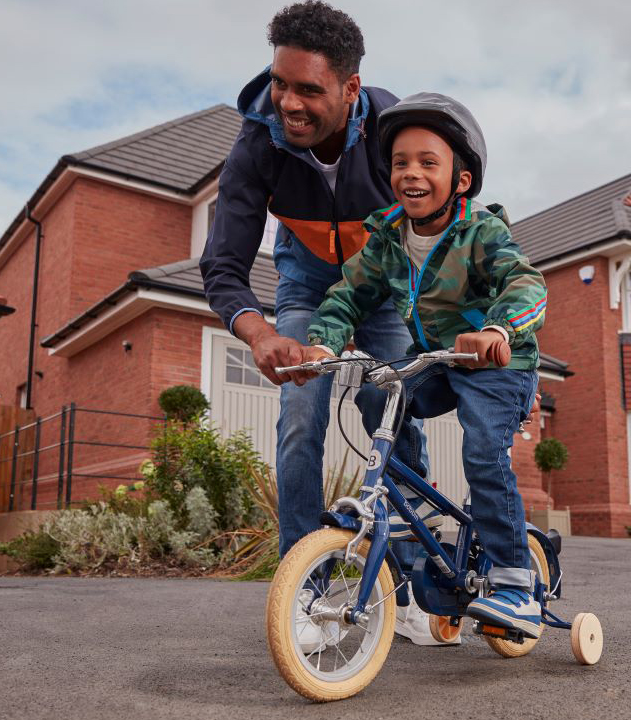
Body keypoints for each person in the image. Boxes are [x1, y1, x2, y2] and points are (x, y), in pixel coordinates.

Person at [198, 2, 447, 645]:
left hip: (386, 287)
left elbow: (444, 218)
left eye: (310, 89)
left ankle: (413, 586)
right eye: (281, 83)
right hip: (307, 281)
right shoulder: (259, 140)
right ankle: (305, 598)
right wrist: (262, 333)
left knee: (390, 406)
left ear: (351, 89)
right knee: (302, 414)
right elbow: (224, 262)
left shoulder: (396, 131)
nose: (290, 102)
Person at [294, 92, 548, 637]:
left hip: (498, 362)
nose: (411, 173)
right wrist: (323, 343)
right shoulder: (386, 236)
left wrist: (497, 330)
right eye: (401, 163)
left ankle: (514, 582)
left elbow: (528, 284)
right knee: (377, 387)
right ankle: (411, 495)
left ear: (459, 179)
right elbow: (346, 296)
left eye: (428, 163)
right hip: (437, 358)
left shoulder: (481, 231)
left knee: (482, 448)